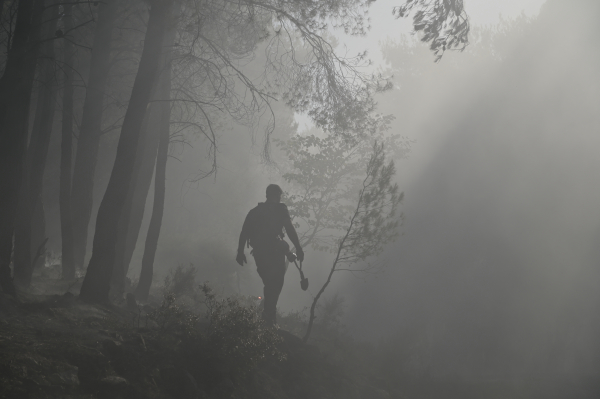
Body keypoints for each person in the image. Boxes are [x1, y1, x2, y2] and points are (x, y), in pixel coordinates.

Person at [236, 184, 304, 326]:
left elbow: (244, 232)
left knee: (270, 283)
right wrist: (298, 247)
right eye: (279, 196)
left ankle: (268, 317)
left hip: (260, 254)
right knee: (275, 283)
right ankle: (269, 318)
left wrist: (240, 252)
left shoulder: (254, 212)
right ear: (277, 195)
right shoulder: (280, 209)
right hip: (274, 252)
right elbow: (289, 228)